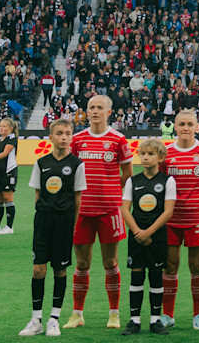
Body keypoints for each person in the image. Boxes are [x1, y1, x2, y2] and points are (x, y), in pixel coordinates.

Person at [67, 95, 133, 330]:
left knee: (111, 261)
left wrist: (118, 200)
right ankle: (77, 313)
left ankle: (114, 313)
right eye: (91, 108)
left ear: (109, 112)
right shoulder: (77, 140)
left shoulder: (118, 139)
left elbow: (127, 175)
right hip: (82, 211)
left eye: (99, 108)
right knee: (82, 263)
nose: (95, 111)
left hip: (109, 210)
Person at [19, 119, 86, 337]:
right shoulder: (41, 163)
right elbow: (37, 194)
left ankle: (53, 319)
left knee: (60, 269)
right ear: (51, 136)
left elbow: (78, 199)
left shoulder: (77, 164)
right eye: (59, 133)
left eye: (68, 133)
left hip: (64, 223)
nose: (64, 137)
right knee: (38, 269)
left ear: (71, 136)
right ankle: (36, 319)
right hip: (43, 221)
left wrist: (72, 225)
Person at [161, 109, 199, 330]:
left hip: (198, 217)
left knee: (197, 265)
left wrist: (197, 202)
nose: (185, 128)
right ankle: (168, 314)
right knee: (170, 265)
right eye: (181, 124)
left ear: (197, 127)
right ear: (175, 127)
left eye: (189, 124)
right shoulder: (166, 153)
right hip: (171, 218)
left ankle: (198, 315)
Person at [120, 139, 176, 335]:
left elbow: (168, 211)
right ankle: (134, 320)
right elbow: (125, 209)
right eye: (142, 153)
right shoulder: (132, 181)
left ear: (160, 158)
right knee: (136, 276)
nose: (145, 157)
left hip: (157, 236)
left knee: (155, 276)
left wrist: (149, 232)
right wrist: (137, 232)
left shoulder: (168, 181)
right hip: (136, 236)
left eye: (150, 154)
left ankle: (155, 320)